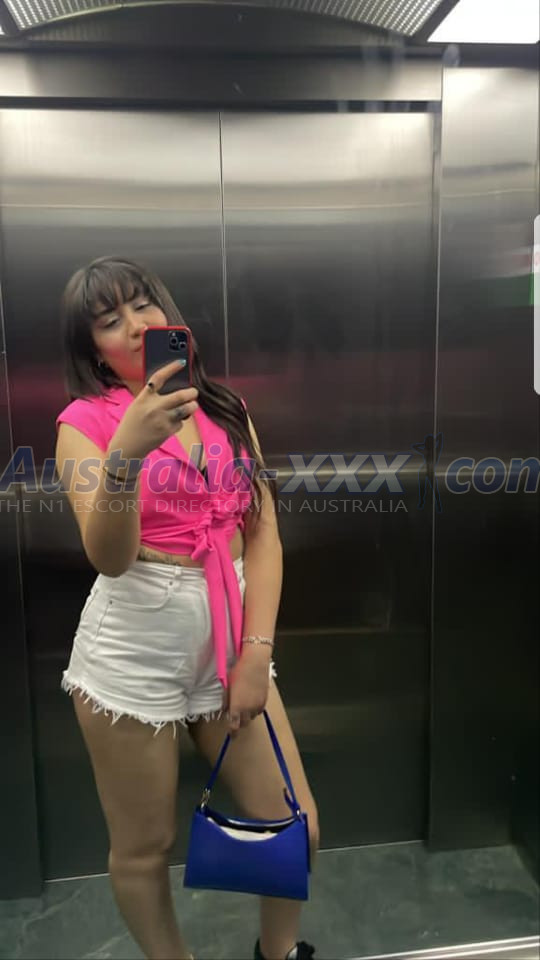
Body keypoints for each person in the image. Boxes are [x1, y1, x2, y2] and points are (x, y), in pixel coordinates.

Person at [54, 256, 319, 960]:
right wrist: (126, 457)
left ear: (165, 310)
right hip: (133, 649)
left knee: (295, 823)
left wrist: (256, 654)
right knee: (146, 847)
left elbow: (262, 535)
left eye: (141, 304)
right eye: (109, 321)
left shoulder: (225, 408)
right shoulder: (84, 424)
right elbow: (109, 557)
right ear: (94, 351)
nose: (134, 324)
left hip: (230, 639)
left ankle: (279, 955)